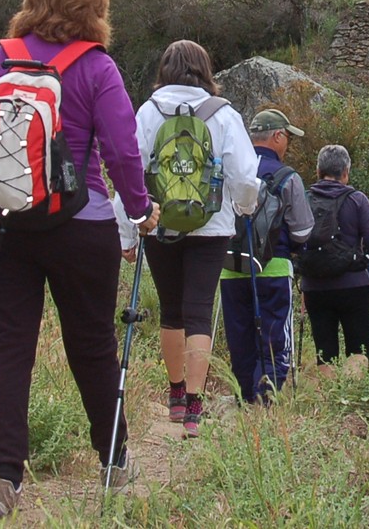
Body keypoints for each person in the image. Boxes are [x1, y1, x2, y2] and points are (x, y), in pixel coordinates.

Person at [0, 0, 162, 519]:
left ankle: (3, 478)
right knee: (91, 344)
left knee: (6, 345)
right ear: (96, 7)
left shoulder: (0, 58)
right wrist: (140, 210)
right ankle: (113, 462)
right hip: (79, 227)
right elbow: (121, 152)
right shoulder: (97, 68)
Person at [125, 40, 261, 438]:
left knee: (171, 311)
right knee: (199, 311)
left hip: (159, 223)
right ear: (206, 70)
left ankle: (175, 395)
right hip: (211, 225)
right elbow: (244, 176)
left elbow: (130, 169)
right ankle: (195, 408)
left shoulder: (149, 111)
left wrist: (127, 231)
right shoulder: (223, 114)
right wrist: (244, 207)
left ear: (164, 69)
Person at [220, 109, 315, 404]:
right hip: (273, 268)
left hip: (231, 266)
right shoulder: (288, 177)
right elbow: (303, 231)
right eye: (287, 137)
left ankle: (245, 396)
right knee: (274, 337)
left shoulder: (230, 170)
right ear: (277, 136)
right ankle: (266, 398)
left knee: (239, 336)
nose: (288, 144)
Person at [300, 144, 369, 365]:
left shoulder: (304, 199)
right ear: (345, 172)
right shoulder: (357, 200)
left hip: (314, 286)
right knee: (359, 350)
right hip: (353, 284)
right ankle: (354, 388)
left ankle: (328, 387)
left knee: (325, 354)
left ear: (318, 171)